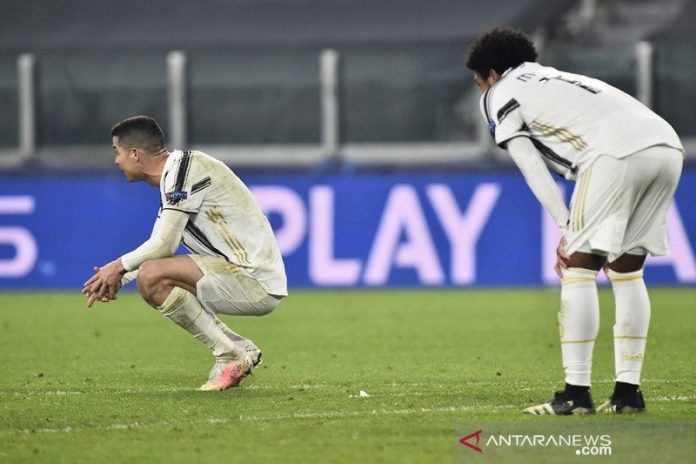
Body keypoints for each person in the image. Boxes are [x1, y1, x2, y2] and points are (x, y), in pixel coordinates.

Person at [466, 29, 683, 415]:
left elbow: (530, 164)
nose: (481, 88)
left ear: (493, 74)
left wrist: (567, 229)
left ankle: (575, 394)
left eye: (479, 80)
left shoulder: (499, 93)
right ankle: (627, 394)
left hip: (614, 152)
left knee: (578, 269)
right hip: (666, 145)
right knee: (627, 271)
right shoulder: (557, 78)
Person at [82, 115, 287, 391]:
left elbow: (164, 246)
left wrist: (117, 267)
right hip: (244, 276)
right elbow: (158, 244)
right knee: (148, 274)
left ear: (135, 154)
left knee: (152, 277)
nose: (116, 161)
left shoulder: (183, 172)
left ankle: (228, 353)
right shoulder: (176, 175)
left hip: (252, 280)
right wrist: (119, 277)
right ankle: (237, 348)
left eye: (117, 152)